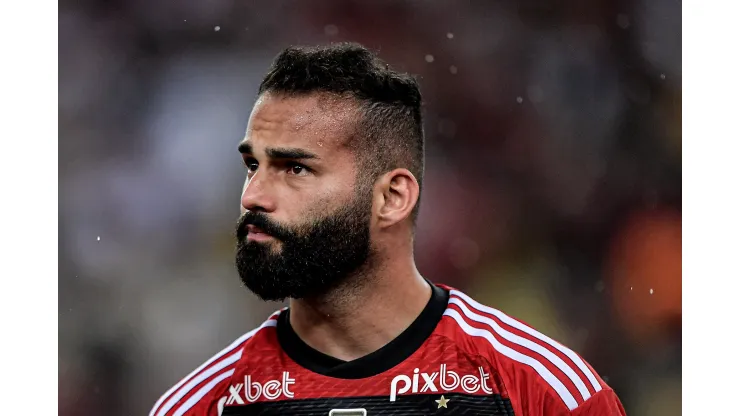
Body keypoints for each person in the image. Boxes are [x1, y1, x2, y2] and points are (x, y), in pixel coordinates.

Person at [149, 42, 626, 416]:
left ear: (392, 198)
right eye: (253, 165)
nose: (252, 196)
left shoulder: (543, 394)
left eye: (294, 169)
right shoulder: (201, 407)